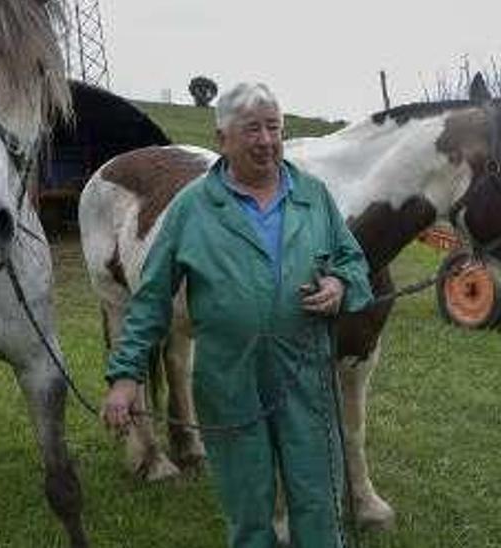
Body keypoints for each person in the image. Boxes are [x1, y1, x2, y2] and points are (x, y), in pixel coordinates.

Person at [102, 82, 372, 548]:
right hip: (230, 380)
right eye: (252, 129)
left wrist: (339, 284)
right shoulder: (192, 208)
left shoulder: (313, 197)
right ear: (222, 137)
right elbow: (150, 298)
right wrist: (125, 376)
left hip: (304, 377)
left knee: (318, 501)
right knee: (248, 508)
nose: (266, 140)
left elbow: (354, 263)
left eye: (274, 127)